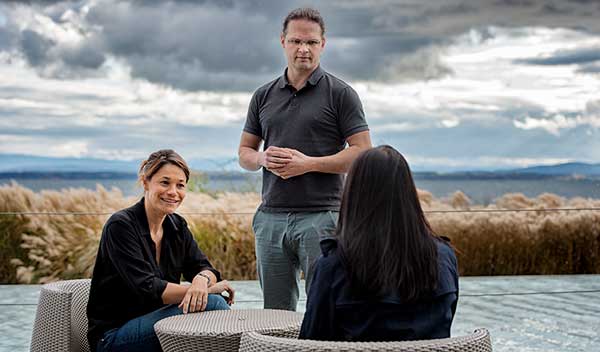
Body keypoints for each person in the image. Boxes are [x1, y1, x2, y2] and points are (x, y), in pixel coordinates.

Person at [238, 7, 371, 311]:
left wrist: (307, 163)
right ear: (282, 41)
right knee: (274, 313)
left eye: (311, 42)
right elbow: (244, 154)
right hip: (270, 219)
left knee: (327, 308)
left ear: (323, 45)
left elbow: (362, 151)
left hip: (323, 218)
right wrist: (262, 159)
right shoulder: (262, 95)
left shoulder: (341, 94)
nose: (303, 49)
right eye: (296, 41)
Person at [299, 145, 459, 341]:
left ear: (353, 194)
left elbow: (312, 342)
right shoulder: (444, 258)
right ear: (408, 193)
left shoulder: (333, 266)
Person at [87, 149, 235, 352]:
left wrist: (201, 281)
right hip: (114, 337)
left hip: (160, 321)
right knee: (215, 304)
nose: (173, 192)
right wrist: (207, 291)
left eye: (180, 185)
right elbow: (148, 289)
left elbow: (204, 268)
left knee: (213, 306)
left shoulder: (177, 226)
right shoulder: (120, 225)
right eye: (165, 183)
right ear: (145, 182)